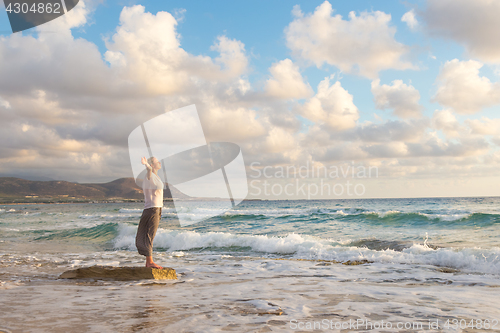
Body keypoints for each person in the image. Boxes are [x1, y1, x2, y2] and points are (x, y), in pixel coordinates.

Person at [136, 156, 164, 269]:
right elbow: (148, 170)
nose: (160, 162)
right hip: (152, 209)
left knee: (150, 234)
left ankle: (148, 262)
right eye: (157, 161)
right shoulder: (149, 176)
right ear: (152, 165)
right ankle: (150, 262)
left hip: (155, 208)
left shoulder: (156, 177)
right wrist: (146, 165)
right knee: (149, 235)